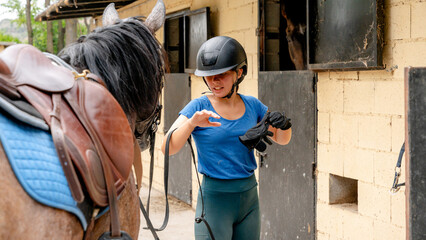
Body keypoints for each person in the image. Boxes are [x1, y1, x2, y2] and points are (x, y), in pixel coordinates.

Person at [161, 36, 292, 240]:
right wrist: (191, 123)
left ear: (239, 73)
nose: (215, 81)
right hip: (215, 199)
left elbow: (283, 139)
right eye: (210, 76)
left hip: (248, 198)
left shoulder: (253, 105)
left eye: (221, 75)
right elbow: (167, 147)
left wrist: (284, 124)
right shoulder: (198, 107)